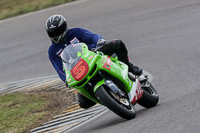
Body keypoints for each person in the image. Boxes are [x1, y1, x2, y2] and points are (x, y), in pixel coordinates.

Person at [46, 14, 142, 109]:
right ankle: (105, 96)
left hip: (95, 54)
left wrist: (99, 41)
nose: (56, 35)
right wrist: (66, 79)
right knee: (84, 103)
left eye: (58, 31)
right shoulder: (52, 51)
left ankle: (129, 67)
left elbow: (92, 36)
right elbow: (59, 69)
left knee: (117, 44)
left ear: (64, 27)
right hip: (79, 71)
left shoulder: (76, 32)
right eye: (52, 33)